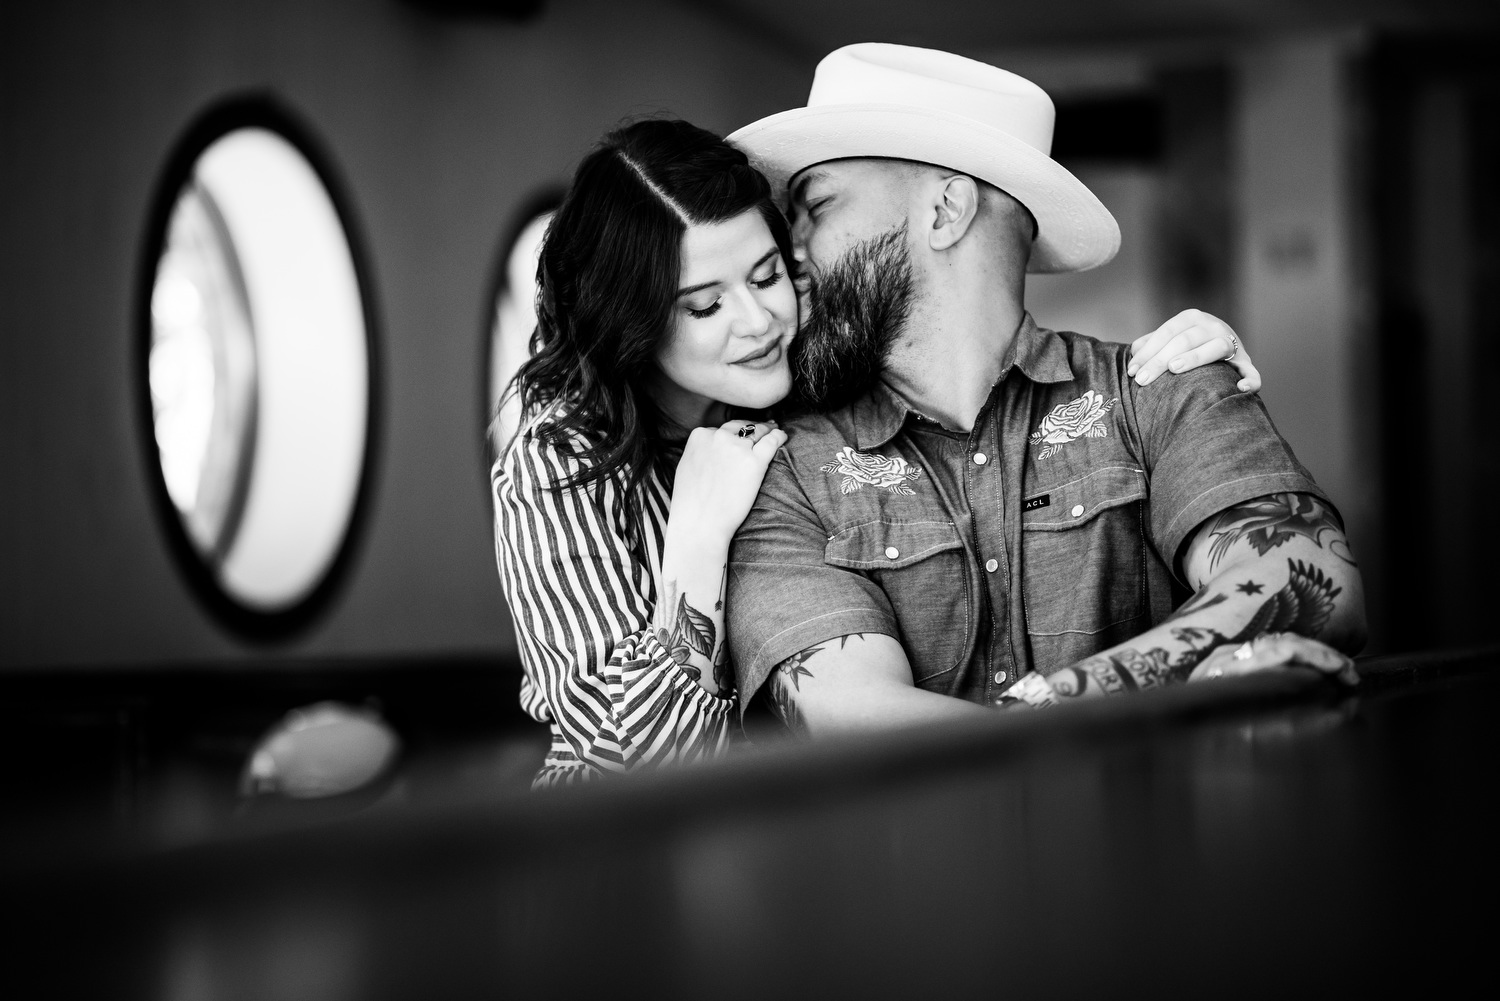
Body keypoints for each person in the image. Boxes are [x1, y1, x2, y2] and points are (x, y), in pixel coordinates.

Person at [491, 118, 1265, 788]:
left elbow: (941, 328)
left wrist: (1196, 355)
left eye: (768, 276)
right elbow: (641, 768)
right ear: (630, 318)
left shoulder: (797, 382)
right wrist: (694, 538)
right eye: (706, 304)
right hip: (614, 858)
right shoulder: (559, 457)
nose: (760, 320)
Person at [724, 44, 1366, 735]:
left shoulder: (1161, 389)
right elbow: (852, 716)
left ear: (945, 210)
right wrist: (1162, 685)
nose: (788, 249)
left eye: (814, 205)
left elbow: (1310, 582)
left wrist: (1050, 708)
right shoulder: (782, 466)